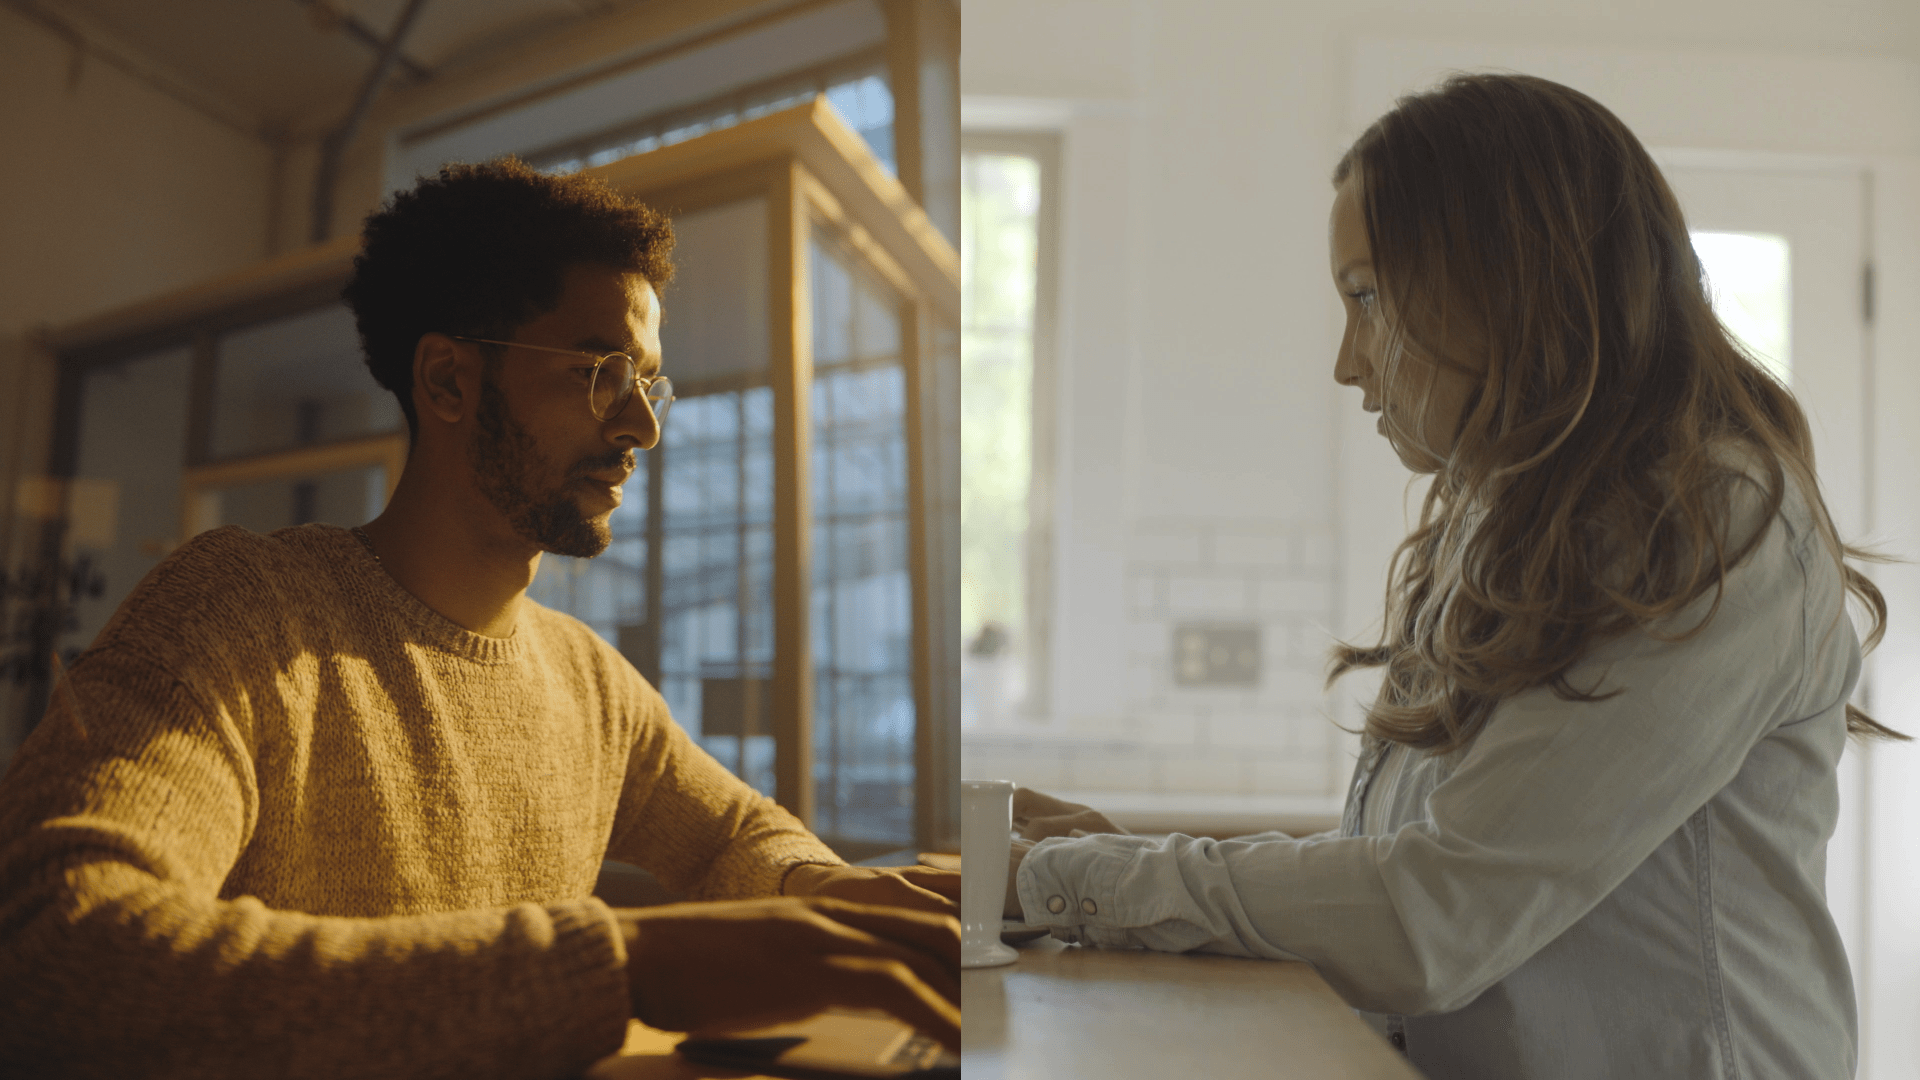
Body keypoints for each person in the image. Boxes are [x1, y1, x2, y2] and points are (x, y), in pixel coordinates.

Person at [1002, 74, 1902, 1079]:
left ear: (1509, 277)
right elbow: (1416, 868)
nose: (1348, 363)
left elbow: (1433, 921)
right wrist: (1125, 859)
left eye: (1367, 298)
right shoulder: (1499, 516)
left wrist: (1075, 878)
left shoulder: (1709, 525)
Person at [0, 159, 959, 1079]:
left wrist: (824, 891)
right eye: (599, 370)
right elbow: (51, 952)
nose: (642, 428)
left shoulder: (587, 680)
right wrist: (625, 966)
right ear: (449, 382)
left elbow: (729, 835)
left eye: (649, 382)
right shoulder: (244, 613)